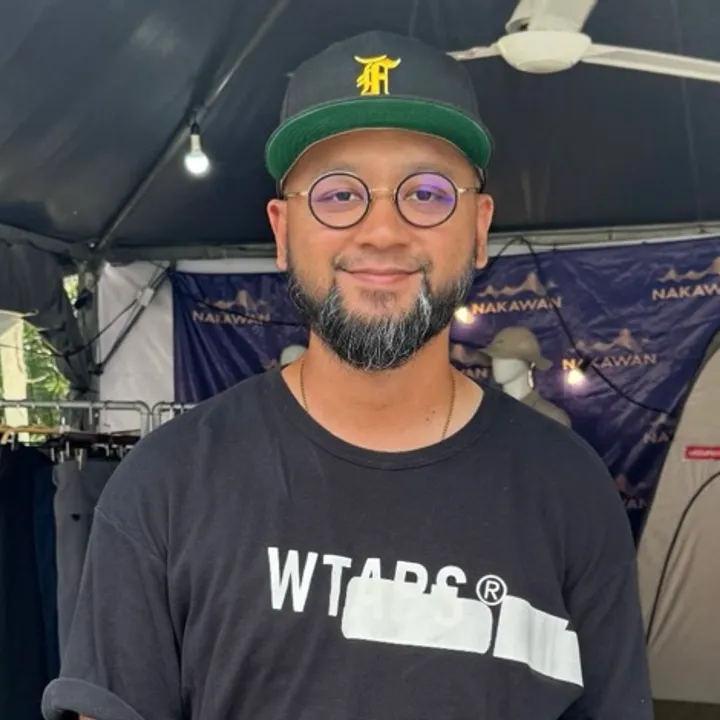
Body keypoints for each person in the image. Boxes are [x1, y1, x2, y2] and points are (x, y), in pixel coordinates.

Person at [42, 30, 653, 720]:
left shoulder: (570, 489)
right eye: (337, 195)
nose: (382, 231)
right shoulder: (164, 485)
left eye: (427, 193)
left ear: (480, 227)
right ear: (282, 231)